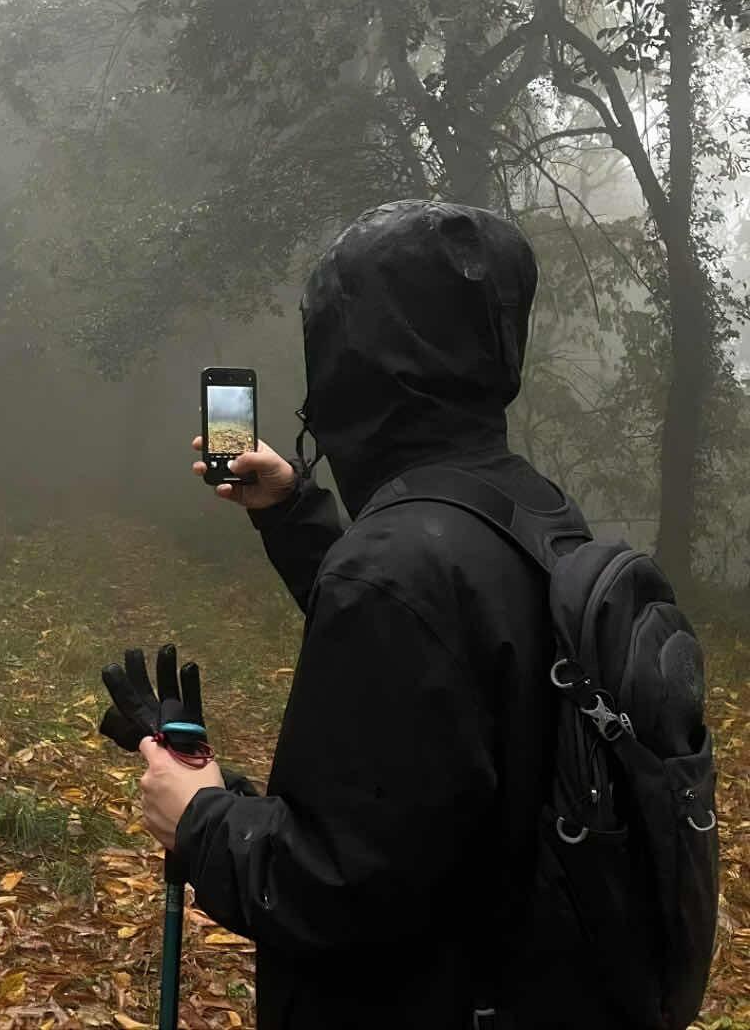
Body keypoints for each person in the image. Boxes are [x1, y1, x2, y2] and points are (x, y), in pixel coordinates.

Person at [137, 200, 611, 1029]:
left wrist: (203, 818)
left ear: (351, 353)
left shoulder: (397, 567)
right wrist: (291, 509)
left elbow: (334, 890)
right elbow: (443, 670)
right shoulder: (531, 514)